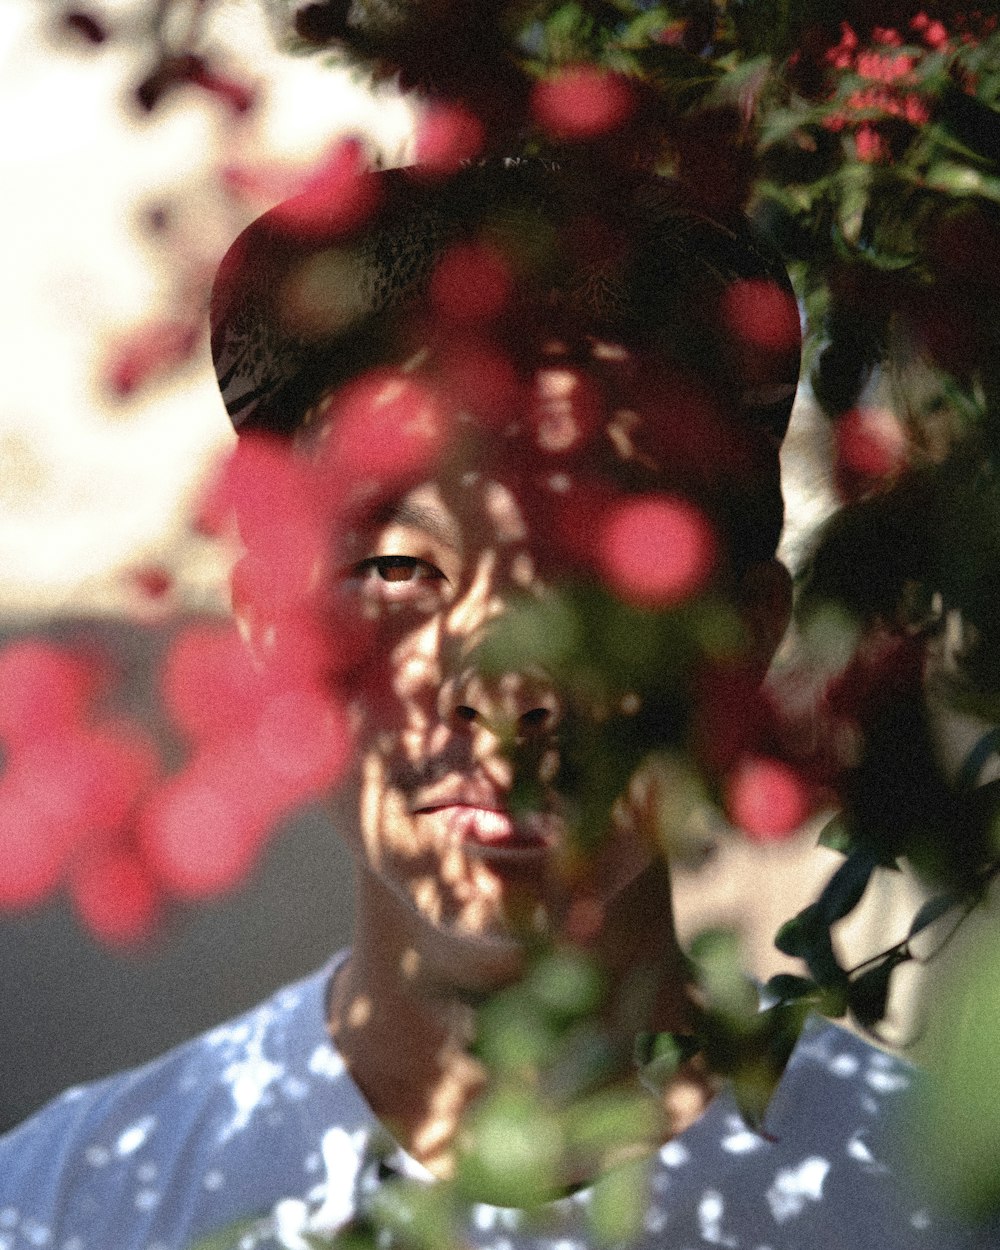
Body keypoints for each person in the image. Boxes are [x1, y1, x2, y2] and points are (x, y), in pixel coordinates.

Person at [0, 158, 980, 1250]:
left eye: (593, 578)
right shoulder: (64, 1209)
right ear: (270, 624)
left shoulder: (929, 1204)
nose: (502, 686)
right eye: (397, 568)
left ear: (746, 634)